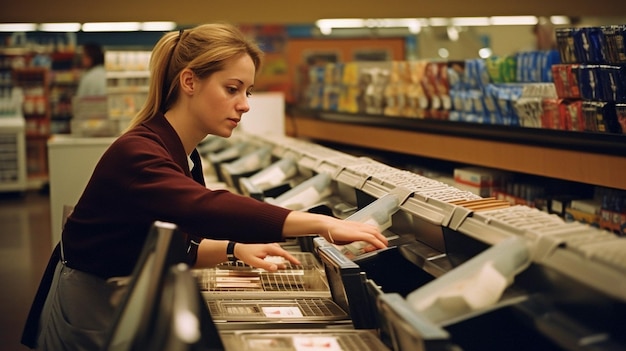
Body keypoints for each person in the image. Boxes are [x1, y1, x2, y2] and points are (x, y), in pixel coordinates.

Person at [22, 23, 388, 350]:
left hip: (117, 293)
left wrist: (234, 249)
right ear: (189, 81)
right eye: (232, 89)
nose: (244, 105)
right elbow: (205, 207)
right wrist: (321, 222)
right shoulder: (139, 152)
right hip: (91, 306)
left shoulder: (182, 151)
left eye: (248, 91)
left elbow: (171, 238)